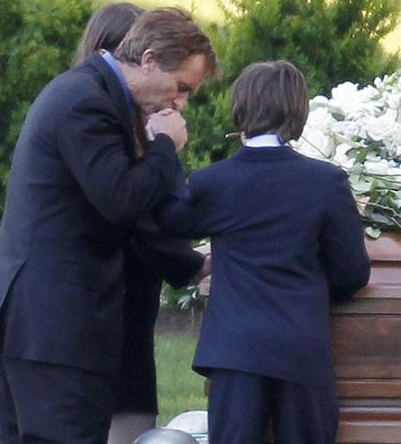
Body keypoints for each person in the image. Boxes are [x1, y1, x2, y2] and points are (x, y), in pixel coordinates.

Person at [0, 7, 217, 443]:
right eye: (181, 87)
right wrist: (165, 146)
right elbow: (121, 200)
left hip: (36, 327)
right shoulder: (86, 100)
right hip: (51, 329)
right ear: (148, 59)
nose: (181, 103)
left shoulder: (92, 94)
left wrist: (187, 263)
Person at [155, 61, 371, 444]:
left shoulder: (214, 182)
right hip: (301, 349)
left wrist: (167, 151)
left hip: (234, 351)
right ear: (298, 112)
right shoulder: (326, 182)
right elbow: (352, 273)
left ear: (240, 109)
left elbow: (166, 221)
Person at [73, 2, 210, 444]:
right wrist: (191, 263)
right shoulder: (99, 119)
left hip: (128, 301)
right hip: (106, 300)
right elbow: (131, 213)